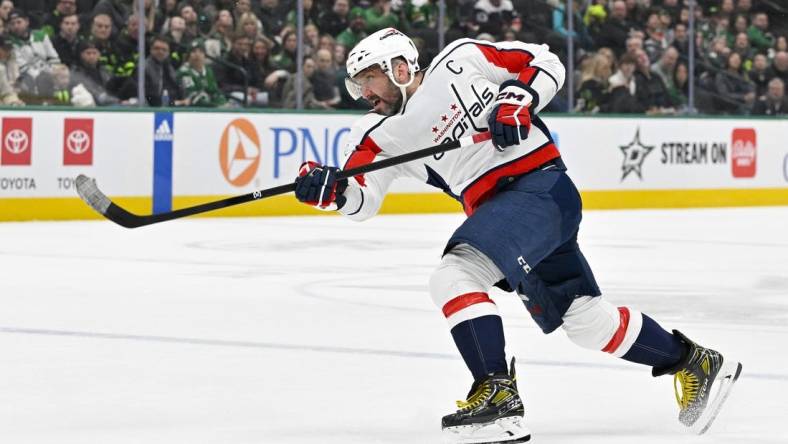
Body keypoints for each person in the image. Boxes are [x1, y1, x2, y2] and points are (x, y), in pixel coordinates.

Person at [292, 28, 743, 443]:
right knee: (586, 322)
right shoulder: (373, 133)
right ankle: (694, 363)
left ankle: (496, 395)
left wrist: (519, 99)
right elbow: (360, 199)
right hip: (511, 215)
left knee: (455, 276)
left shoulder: (461, 59)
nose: (364, 93)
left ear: (400, 67)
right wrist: (328, 190)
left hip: (540, 187)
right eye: (358, 84)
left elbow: (546, 62)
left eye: (369, 79)